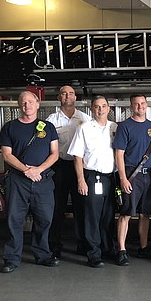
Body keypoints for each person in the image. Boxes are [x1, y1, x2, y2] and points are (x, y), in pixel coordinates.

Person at [0, 91, 60, 273]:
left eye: (31, 102)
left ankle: (42, 255)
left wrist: (38, 170)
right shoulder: (9, 127)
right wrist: (26, 170)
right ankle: (11, 258)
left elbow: (54, 153)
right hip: (18, 181)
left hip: (43, 180)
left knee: (45, 219)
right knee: (14, 220)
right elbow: (6, 154)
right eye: (23, 102)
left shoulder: (48, 127)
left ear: (38, 104)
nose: (27, 105)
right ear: (19, 105)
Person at [68, 95, 117, 268]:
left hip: (111, 178)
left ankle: (107, 249)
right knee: (92, 217)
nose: (100, 110)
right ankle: (94, 254)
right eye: (97, 106)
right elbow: (77, 156)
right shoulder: (84, 128)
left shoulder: (115, 127)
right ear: (92, 109)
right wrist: (81, 180)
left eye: (103, 106)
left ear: (109, 108)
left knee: (108, 216)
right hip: (92, 177)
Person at [113, 94, 151, 266]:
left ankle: (144, 247)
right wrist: (123, 178)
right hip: (132, 174)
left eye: (142, 103)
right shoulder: (125, 127)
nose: (140, 106)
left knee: (145, 213)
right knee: (126, 213)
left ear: (147, 105)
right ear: (131, 107)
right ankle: (122, 250)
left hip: (149, 175)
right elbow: (119, 154)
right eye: (136, 104)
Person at [46, 85, 91, 258]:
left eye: (70, 93)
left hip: (80, 167)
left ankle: (83, 244)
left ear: (75, 97)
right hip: (60, 166)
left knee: (82, 207)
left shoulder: (85, 119)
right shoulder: (51, 120)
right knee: (58, 207)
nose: (67, 96)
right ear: (59, 97)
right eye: (64, 93)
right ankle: (54, 245)